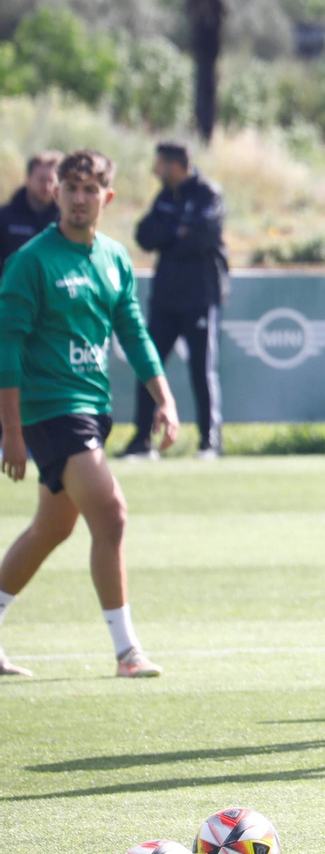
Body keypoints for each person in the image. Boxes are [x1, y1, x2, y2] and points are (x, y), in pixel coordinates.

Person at [0, 149, 180, 679]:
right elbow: (6, 348)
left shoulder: (114, 257)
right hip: (51, 410)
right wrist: (11, 431)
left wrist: (164, 397)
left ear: (107, 196)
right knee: (112, 514)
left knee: (51, 528)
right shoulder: (31, 261)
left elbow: (134, 332)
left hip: (90, 409)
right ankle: (127, 651)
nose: (79, 198)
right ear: (54, 191)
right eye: (69, 187)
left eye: (89, 189)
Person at [121, 142, 228, 460]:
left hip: (200, 297)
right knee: (148, 366)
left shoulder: (208, 193)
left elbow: (202, 237)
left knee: (202, 370)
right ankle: (141, 441)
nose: (156, 170)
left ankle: (210, 442)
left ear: (175, 164)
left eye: (160, 164)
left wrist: (170, 235)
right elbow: (144, 235)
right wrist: (176, 231)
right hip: (166, 298)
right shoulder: (166, 196)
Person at [0, 152, 61, 276]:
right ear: (28, 179)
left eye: (51, 181)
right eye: (42, 180)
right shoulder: (5, 217)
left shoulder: (64, 220)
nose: (47, 186)